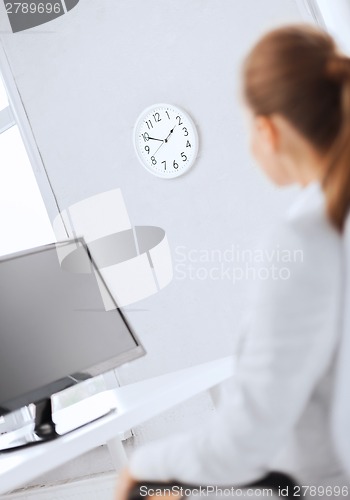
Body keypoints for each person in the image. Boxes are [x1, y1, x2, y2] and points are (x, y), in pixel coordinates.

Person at [116, 25, 350, 499]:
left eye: (246, 127)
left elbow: (244, 443)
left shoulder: (303, 240)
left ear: (267, 130)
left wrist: (140, 467)